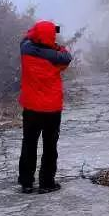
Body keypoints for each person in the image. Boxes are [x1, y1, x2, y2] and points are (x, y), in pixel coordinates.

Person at [17, 19, 71, 193]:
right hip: (52, 109)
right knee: (50, 146)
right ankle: (46, 183)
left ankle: (26, 183)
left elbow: (26, 38)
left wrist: (37, 33)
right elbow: (67, 56)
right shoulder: (57, 57)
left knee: (29, 144)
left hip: (31, 108)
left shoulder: (25, 51)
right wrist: (54, 45)